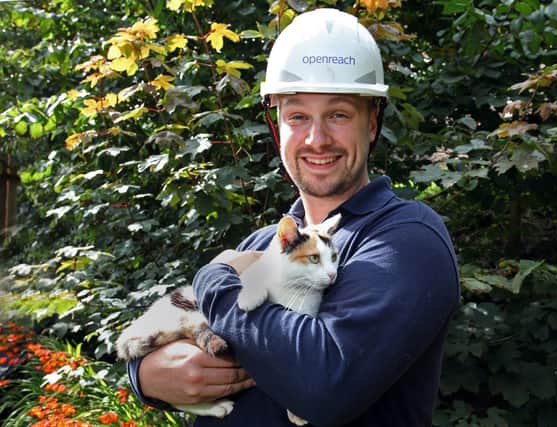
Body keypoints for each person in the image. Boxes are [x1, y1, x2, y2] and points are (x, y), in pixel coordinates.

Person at [127, 8, 459, 427]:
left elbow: (324, 386)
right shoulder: (261, 243)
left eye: (338, 114)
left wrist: (214, 282)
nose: (316, 140)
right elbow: (171, 328)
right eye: (298, 116)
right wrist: (144, 376)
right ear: (276, 124)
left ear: (371, 123)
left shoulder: (405, 239)